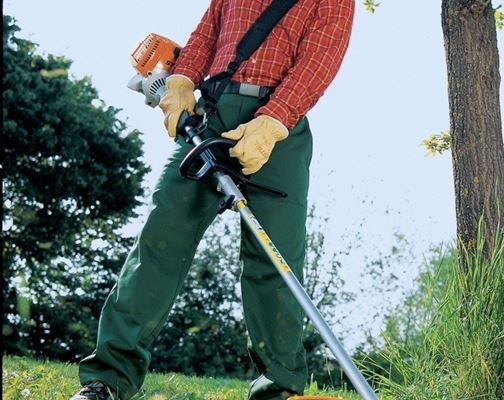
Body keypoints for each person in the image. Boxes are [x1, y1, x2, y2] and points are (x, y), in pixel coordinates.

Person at [70, 1, 354, 399]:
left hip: (278, 130)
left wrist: (273, 121)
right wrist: (182, 79)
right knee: (160, 240)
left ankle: (280, 389)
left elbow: (318, 63)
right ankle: (108, 379)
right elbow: (206, 35)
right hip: (213, 116)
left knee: (275, 260)